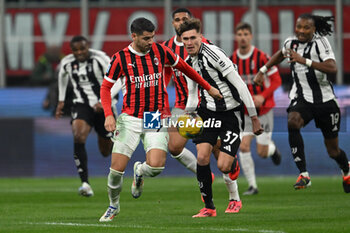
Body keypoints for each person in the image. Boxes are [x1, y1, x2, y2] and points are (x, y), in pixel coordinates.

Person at [98, 17, 222, 222]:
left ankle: (140, 171)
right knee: (116, 172)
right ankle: (113, 205)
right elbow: (105, 87)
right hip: (130, 118)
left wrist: (208, 87)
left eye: (153, 37)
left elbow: (184, 67)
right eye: (146, 38)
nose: (150, 42)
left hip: (154, 117)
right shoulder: (120, 58)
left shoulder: (159, 51)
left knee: (155, 167)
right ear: (134, 36)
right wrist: (108, 114)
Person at [254, 14, 350, 193]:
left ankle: (346, 169)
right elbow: (280, 55)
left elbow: (332, 68)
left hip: (326, 101)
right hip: (302, 98)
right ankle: (304, 174)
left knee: (333, 151)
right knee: (293, 121)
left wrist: (303, 60)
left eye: (306, 28)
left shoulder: (321, 43)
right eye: (299, 27)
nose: (301, 31)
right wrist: (263, 70)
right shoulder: (291, 43)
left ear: (314, 29)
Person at [179, 18, 263, 217]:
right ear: (181, 40)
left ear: (200, 36)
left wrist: (254, 116)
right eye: (185, 39)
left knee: (224, 165)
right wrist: (188, 113)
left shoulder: (214, 55)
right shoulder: (189, 62)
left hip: (231, 113)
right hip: (207, 112)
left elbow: (241, 85)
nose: (189, 42)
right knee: (201, 157)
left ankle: (234, 197)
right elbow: (192, 93)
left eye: (193, 38)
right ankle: (209, 207)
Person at [163, 8, 242, 213]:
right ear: (173, 24)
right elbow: (164, 73)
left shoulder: (204, 45)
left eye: (185, 19)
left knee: (216, 154)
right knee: (174, 146)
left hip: (210, 104)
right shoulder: (166, 47)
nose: (181, 23)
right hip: (185, 104)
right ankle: (206, 175)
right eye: (177, 20)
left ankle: (233, 194)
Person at [55, 35, 116, 197]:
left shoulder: (101, 59)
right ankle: (85, 183)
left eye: (82, 48)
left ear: (88, 46)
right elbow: (61, 76)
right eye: (76, 50)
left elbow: (116, 81)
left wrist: (104, 103)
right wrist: (61, 101)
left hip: (104, 107)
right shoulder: (67, 62)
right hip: (82, 104)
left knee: (105, 151)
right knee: (78, 135)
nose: (79, 52)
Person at [230, 22, 282, 195]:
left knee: (262, 152)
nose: (243, 37)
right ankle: (253, 186)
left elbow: (276, 81)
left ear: (251, 36)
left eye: (246, 34)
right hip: (244, 113)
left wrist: (262, 96)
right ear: (236, 37)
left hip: (264, 111)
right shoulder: (232, 60)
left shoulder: (262, 57)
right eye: (240, 34)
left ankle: (272, 150)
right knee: (243, 146)